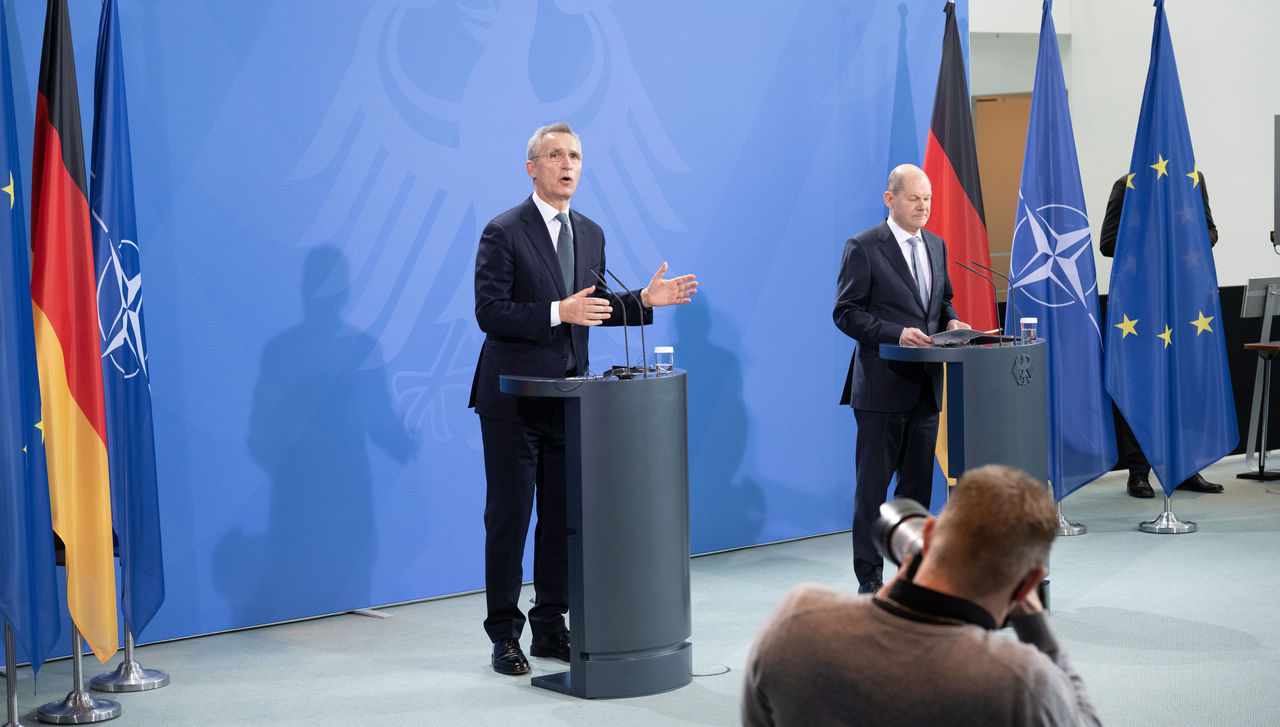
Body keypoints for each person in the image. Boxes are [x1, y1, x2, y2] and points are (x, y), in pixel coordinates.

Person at [468, 122, 697, 676]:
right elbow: (490, 312)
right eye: (555, 155)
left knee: (562, 521)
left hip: (573, 400)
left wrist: (643, 301)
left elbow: (592, 307)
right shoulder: (504, 231)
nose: (567, 164)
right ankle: (504, 635)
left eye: (574, 155)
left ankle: (550, 625)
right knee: (510, 519)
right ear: (532, 168)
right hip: (514, 400)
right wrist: (556, 311)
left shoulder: (590, 232)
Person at [741, 465, 1100, 727]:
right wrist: (1036, 626)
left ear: (928, 534)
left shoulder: (797, 620)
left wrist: (894, 595)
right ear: (1029, 583)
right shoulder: (1022, 683)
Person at [833, 163, 967, 595]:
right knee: (872, 492)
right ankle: (870, 579)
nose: (924, 206)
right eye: (915, 198)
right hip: (880, 387)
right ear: (890, 199)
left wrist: (952, 321)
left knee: (915, 491)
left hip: (926, 386)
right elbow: (846, 313)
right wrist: (896, 333)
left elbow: (942, 302)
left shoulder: (937, 245)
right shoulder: (863, 246)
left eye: (928, 199)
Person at [1099, 170, 1223, 498]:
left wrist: (1187, 238)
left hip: (1183, 300)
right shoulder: (1127, 185)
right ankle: (1138, 473)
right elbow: (1107, 243)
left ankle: (1185, 468)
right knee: (1139, 384)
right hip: (1139, 305)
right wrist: (1154, 239)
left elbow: (1210, 231)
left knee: (1185, 383)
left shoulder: (1193, 179)